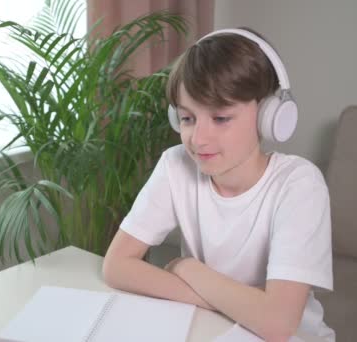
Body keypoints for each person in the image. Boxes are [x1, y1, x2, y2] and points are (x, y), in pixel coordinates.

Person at [102, 27, 335, 342]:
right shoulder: (176, 165)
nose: (198, 140)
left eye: (221, 119)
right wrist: (232, 304)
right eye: (187, 118)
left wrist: (187, 268)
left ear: (270, 116)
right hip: (210, 329)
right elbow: (116, 266)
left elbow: (278, 324)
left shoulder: (299, 184)